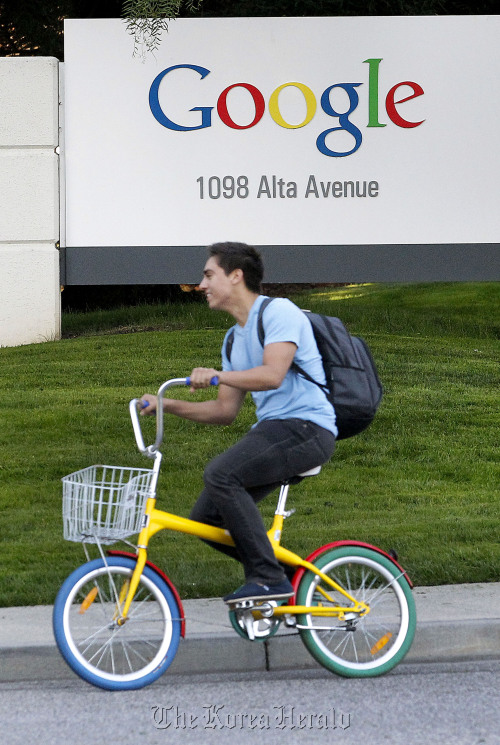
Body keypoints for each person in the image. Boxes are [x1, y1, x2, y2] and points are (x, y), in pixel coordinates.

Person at [140, 242, 337, 605]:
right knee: (207, 518)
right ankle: (296, 584)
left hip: (307, 427)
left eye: (208, 275)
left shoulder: (279, 312)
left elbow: (273, 374)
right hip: (276, 429)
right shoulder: (233, 340)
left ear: (236, 275)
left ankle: (267, 578)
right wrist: (167, 405)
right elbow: (224, 412)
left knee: (221, 474)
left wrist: (219, 375)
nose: (201, 285)